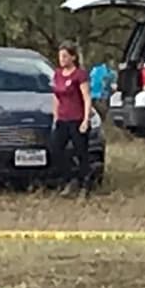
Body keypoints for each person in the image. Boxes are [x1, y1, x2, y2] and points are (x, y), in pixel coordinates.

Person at [51, 41, 93, 195]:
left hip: (76, 118)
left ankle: (85, 184)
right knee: (56, 149)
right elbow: (56, 96)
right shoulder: (57, 74)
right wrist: (55, 116)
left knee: (81, 152)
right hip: (62, 118)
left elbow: (87, 97)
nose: (62, 59)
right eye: (60, 56)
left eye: (65, 56)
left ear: (73, 57)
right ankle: (69, 178)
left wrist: (85, 119)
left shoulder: (79, 75)